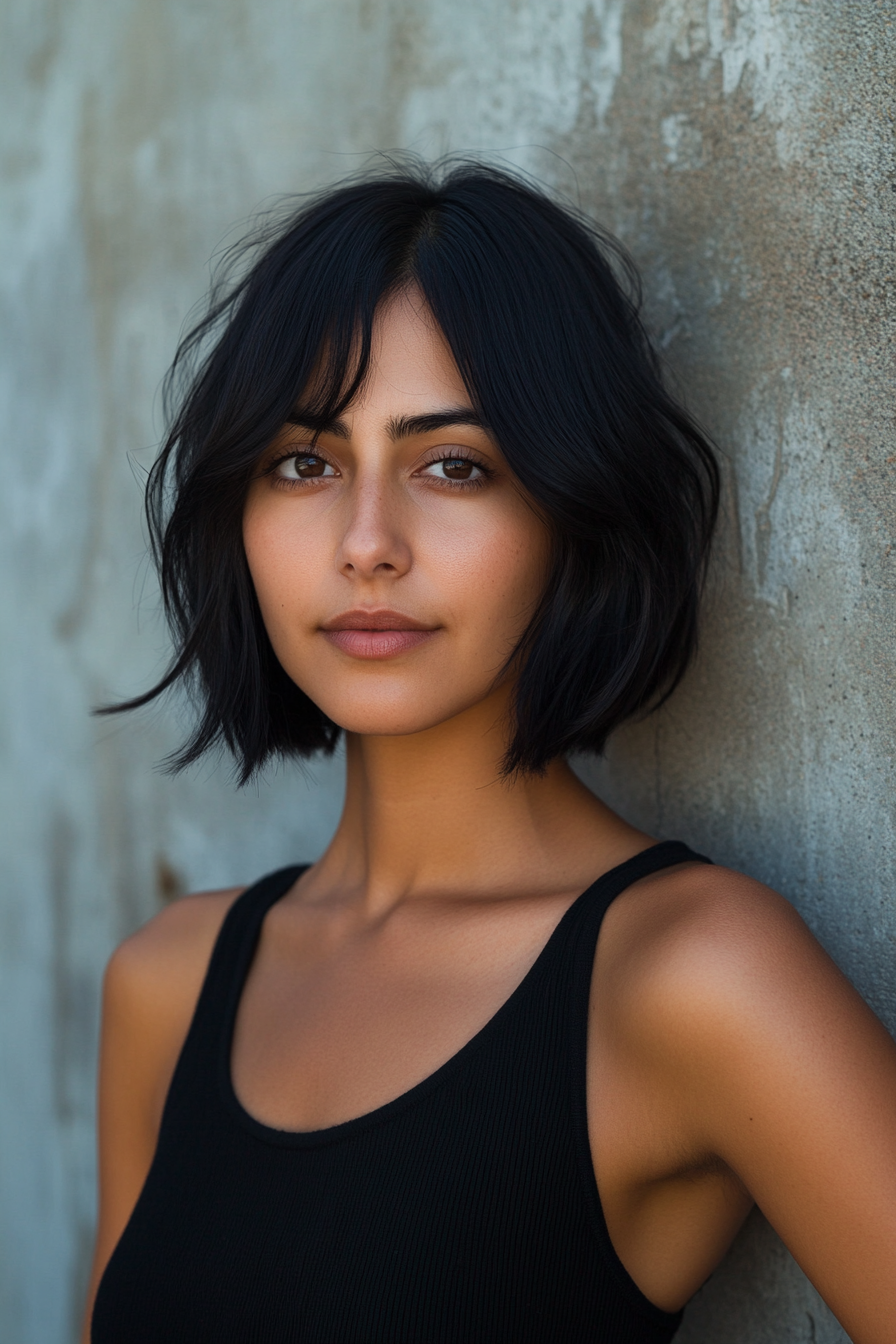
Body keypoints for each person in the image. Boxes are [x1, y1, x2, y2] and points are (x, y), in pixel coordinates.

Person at [83, 162, 896, 1344]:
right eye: (303, 462)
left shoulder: (692, 977)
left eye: (453, 465)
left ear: (573, 510)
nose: (366, 543)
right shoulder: (165, 980)